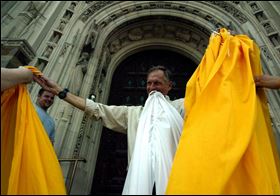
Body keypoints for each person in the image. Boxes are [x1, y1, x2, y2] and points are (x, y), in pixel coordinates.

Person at [35, 65, 185, 195]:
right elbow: (98, 110)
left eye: (157, 83)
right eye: (149, 83)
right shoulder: (133, 114)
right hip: (140, 181)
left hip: (174, 178)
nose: (152, 88)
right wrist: (60, 92)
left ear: (169, 86)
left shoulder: (180, 107)